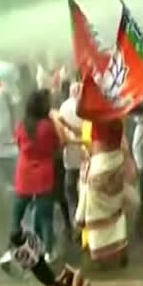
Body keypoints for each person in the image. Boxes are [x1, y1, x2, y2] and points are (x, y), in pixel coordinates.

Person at [7, 89, 65, 264]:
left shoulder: (21, 125)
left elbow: (18, 143)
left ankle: (15, 249)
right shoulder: (47, 127)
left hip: (24, 174)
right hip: (44, 174)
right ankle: (47, 252)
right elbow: (57, 144)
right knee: (45, 216)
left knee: (17, 215)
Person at [75, 119, 137, 267]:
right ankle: (121, 251)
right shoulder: (117, 121)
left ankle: (100, 257)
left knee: (95, 215)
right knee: (117, 212)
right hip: (116, 164)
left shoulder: (95, 122)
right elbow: (124, 147)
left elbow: (92, 148)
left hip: (100, 167)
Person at [58, 82, 84, 226]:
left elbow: (61, 130)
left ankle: (75, 219)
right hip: (85, 155)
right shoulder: (87, 106)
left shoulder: (64, 107)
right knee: (83, 191)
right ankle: (82, 217)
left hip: (69, 155)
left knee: (71, 190)